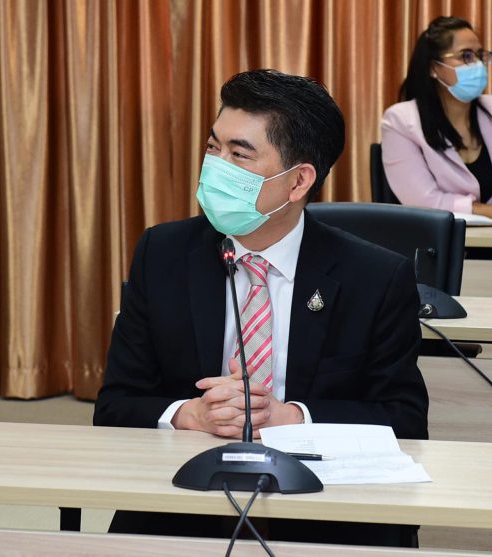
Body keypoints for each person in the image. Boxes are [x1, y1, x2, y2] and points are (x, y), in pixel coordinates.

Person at [94, 69, 428, 547]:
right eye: (213, 148)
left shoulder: (374, 277)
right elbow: (114, 405)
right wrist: (190, 414)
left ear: (298, 181)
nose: (215, 167)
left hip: (328, 513)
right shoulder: (163, 253)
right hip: (182, 501)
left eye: (239, 155)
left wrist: (288, 416)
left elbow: (405, 419)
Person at [381, 17, 492, 220]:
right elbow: (424, 201)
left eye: (480, 55)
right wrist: (489, 212)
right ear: (434, 68)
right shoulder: (401, 121)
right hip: (440, 238)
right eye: (466, 56)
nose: (478, 64)